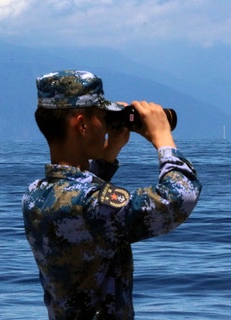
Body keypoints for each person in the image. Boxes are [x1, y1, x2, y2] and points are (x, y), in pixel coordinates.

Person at [22, 70, 202, 319]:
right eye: (102, 117)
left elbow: (77, 193)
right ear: (82, 124)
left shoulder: (35, 195)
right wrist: (163, 139)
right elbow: (179, 198)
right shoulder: (93, 206)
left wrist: (109, 152)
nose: (106, 126)